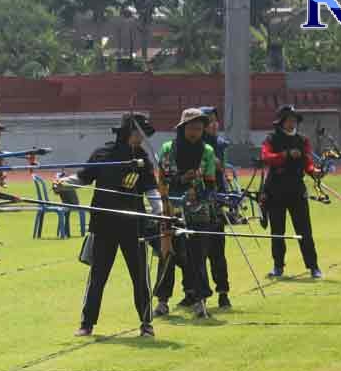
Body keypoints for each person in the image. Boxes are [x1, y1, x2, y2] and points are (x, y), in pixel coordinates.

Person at [55, 113, 163, 337]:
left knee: (140, 276)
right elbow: (84, 178)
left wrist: (159, 212)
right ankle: (86, 324)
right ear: (128, 133)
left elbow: (151, 188)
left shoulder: (142, 158)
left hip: (133, 226)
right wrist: (64, 184)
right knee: (98, 276)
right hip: (104, 224)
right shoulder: (103, 154)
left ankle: (146, 324)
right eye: (139, 133)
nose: (142, 139)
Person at [156, 108, 218, 319]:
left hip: (199, 211)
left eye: (199, 128)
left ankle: (200, 301)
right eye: (191, 127)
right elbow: (162, 179)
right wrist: (182, 180)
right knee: (168, 254)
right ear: (182, 128)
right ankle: (162, 301)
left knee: (197, 255)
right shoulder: (168, 148)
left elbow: (211, 184)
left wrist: (197, 190)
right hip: (171, 207)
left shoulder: (207, 151)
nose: (195, 132)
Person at [260, 105, 324, 279]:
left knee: (304, 230)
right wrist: (286, 154)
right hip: (275, 189)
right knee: (277, 231)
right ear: (281, 121)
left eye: (294, 119)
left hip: (296, 188)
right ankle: (278, 266)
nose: (292, 122)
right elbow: (266, 157)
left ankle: (313, 267)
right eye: (289, 119)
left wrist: (314, 172)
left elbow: (307, 162)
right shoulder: (271, 138)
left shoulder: (302, 140)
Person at [200, 106, 232, 309]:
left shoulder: (218, 144)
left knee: (217, 251)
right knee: (196, 251)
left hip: (216, 199)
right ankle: (196, 292)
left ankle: (223, 292)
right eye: (209, 120)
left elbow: (222, 167)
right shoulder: (190, 144)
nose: (214, 124)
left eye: (215, 120)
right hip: (195, 201)